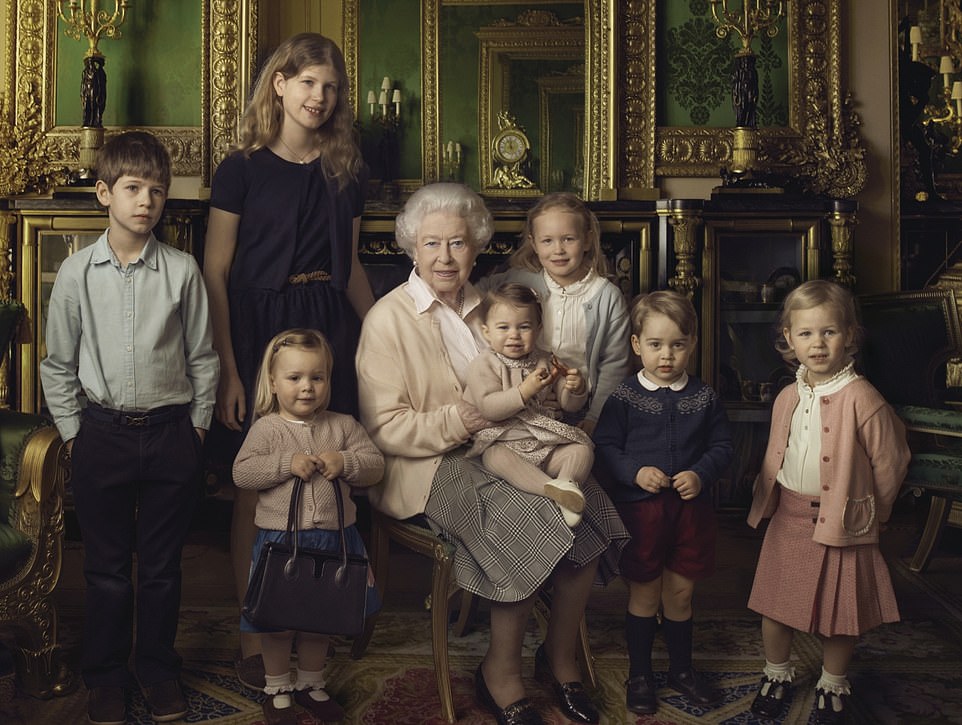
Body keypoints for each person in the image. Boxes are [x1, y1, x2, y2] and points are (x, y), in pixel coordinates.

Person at [356, 182, 629, 725]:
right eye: (432, 244)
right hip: (431, 463)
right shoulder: (387, 319)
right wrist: (465, 419)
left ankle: (559, 657)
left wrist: (558, 387)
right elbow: (384, 427)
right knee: (529, 520)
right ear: (411, 248)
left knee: (590, 508)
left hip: (511, 445)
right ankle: (499, 672)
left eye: (458, 243)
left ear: (477, 247)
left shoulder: (496, 306)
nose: (445, 256)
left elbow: (533, 388)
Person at [202, 32, 375, 688]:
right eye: (307, 83)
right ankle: (256, 626)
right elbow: (216, 271)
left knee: (332, 475)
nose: (319, 97)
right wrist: (228, 366)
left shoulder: (346, 170)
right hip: (258, 330)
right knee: (259, 483)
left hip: (327, 323)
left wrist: (382, 330)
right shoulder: (241, 167)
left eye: (330, 87)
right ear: (279, 83)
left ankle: (325, 612)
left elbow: (353, 265)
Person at [40, 131, 219, 725]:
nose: (146, 201)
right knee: (107, 570)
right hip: (102, 435)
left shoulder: (183, 271)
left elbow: (202, 357)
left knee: (163, 567)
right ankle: (107, 676)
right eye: (133, 189)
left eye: (157, 191)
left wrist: (195, 431)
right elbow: (58, 364)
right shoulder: (74, 274)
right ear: (104, 194)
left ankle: (158, 670)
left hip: (171, 434)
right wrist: (73, 434)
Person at [746, 280, 911, 725]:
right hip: (790, 515)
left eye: (829, 332)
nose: (817, 344)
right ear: (788, 339)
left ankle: (833, 681)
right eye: (806, 334)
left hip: (843, 522)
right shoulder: (787, 395)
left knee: (840, 615)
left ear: (850, 335)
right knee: (775, 606)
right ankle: (777, 674)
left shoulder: (863, 397)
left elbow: (892, 462)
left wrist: (872, 512)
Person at [593, 290, 733, 715]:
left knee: (681, 593)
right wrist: (634, 471)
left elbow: (724, 446)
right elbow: (605, 446)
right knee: (644, 594)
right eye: (655, 345)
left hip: (690, 514)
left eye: (677, 344)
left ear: (692, 343)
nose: (666, 355)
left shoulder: (704, 397)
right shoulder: (624, 397)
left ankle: (682, 670)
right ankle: (640, 673)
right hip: (643, 514)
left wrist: (701, 473)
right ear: (637, 345)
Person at [233, 329, 383, 725]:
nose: (307, 387)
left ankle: (311, 684)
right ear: (273, 382)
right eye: (294, 378)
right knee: (278, 623)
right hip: (281, 542)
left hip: (335, 541)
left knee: (322, 621)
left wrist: (345, 463)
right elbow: (242, 473)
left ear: (329, 381)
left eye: (317, 377)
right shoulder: (267, 430)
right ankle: (278, 687)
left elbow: (375, 465)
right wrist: (286, 464)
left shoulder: (344, 426)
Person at [479, 192, 630, 436]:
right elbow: (477, 294)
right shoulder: (520, 280)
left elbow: (614, 366)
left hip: (582, 405)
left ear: (588, 240)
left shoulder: (607, 297)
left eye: (568, 239)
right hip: (524, 397)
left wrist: (595, 417)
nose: (558, 250)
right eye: (547, 241)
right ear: (534, 243)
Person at [464, 282, 594, 527]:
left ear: (538, 328)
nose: (514, 335)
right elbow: (488, 407)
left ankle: (566, 482)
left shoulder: (546, 360)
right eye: (503, 327)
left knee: (582, 450)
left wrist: (575, 390)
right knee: (494, 457)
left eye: (524, 327)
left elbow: (568, 406)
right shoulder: (484, 364)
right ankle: (553, 491)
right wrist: (525, 391)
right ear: (487, 331)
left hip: (544, 442)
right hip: (505, 440)